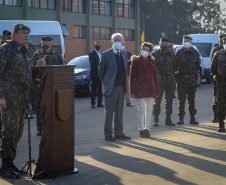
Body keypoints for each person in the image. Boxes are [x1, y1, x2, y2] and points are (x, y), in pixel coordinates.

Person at [0, 23, 44, 179]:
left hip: (22, 97)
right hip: (9, 97)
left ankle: (10, 163)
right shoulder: (5, 49)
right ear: (14, 34)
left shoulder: (26, 51)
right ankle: (4, 166)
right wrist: (1, 97)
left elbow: (28, 74)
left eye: (28, 34)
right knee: (10, 132)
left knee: (18, 132)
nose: (26, 36)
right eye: (23, 33)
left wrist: (38, 66)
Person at [99, 33, 131, 141]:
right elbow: (101, 71)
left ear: (122, 42)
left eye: (119, 40)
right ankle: (108, 133)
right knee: (109, 112)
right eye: (115, 39)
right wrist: (107, 83)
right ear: (112, 42)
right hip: (111, 88)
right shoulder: (106, 54)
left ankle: (119, 132)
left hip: (121, 88)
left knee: (119, 112)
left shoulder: (124, 54)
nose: (117, 41)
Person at [32, 36, 64, 136]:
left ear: (50, 44)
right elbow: (31, 70)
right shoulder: (37, 54)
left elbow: (62, 69)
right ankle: (40, 128)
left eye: (46, 42)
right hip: (39, 85)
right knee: (39, 107)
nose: (43, 44)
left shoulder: (57, 54)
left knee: (53, 107)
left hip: (53, 85)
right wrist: (38, 65)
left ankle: (53, 127)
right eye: (42, 42)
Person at [130, 42, 159, 138]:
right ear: (140, 50)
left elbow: (155, 76)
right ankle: (141, 129)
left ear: (150, 52)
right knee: (141, 109)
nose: (145, 51)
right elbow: (132, 77)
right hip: (140, 88)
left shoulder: (152, 61)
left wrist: (157, 91)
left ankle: (147, 129)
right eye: (144, 49)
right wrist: (132, 91)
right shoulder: (136, 61)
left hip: (151, 88)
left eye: (147, 50)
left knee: (149, 109)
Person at [175, 35, 201, 125]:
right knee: (181, 100)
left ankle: (192, 118)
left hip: (191, 80)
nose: (186, 42)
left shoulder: (195, 53)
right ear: (183, 42)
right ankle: (181, 118)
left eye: (188, 41)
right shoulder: (179, 52)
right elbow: (175, 66)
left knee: (191, 100)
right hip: (181, 79)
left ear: (191, 42)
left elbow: (198, 65)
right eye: (185, 40)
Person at [152, 37, 176, 127]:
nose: (164, 45)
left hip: (170, 81)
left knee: (169, 100)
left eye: (165, 44)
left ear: (168, 45)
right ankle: (156, 119)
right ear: (159, 44)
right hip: (159, 81)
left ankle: (168, 119)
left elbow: (176, 67)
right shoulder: (154, 54)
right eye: (162, 44)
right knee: (157, 100)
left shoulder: (172, 55)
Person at [210, 37, 226, 132]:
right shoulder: (218, 54)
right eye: (224, 42)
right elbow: (213, 69)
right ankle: (221, 124)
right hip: (221, 83)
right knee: (220, 103)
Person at [89, 41, 104, 108]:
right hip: (94, 74)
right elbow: (93, 64)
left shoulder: (102, 53)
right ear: (94, 45)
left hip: (101, 74)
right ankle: (93, 103)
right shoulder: (91, 54)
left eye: (99, 45)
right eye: (96, 45)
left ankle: (99, 103)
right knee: (94, 89)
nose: (98, 46)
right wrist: (99, 69)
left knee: (100, 89)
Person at [121, 41, 133, 107]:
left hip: (127, 73)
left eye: (123, 44)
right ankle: (119, 102)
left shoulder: (128, 53)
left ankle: (128, 101)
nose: (122, 45)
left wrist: (129, 61)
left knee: (127, 88)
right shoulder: (118, 53)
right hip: (119, 74)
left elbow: (131, 62)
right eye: (121, 44)